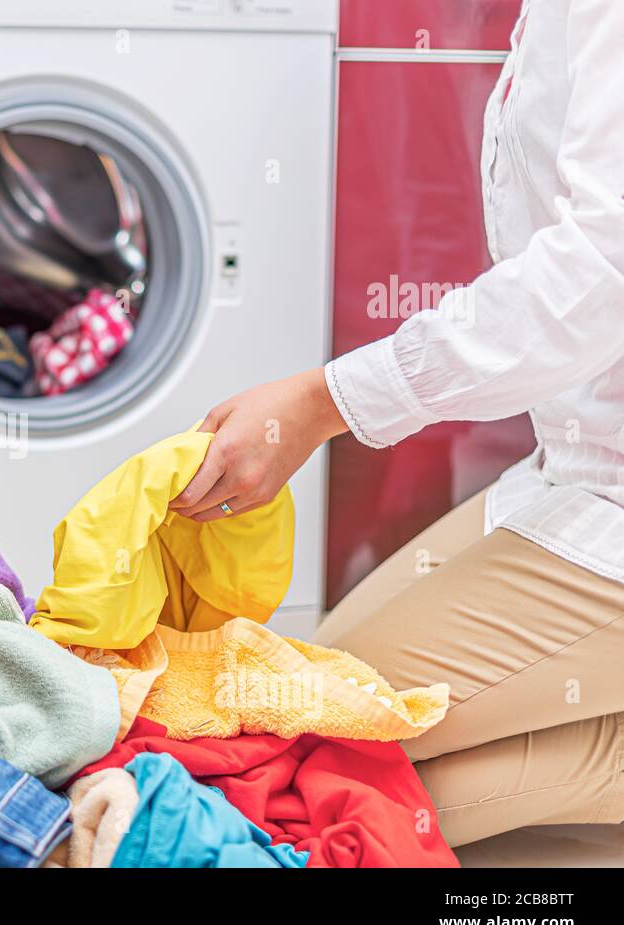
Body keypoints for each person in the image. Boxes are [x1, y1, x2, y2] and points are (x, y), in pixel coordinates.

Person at [172, 0, 624, 847]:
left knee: (294, 772)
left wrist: (323, 401)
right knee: (303, 726)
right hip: (576, 465)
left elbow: (599, 277)